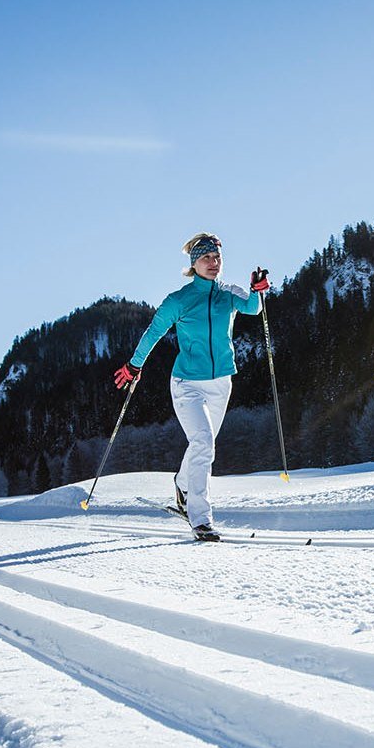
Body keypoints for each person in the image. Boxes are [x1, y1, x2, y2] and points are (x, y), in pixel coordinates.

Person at [114, 232, 270, 542]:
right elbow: (154, 331)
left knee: (204, 444)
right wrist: (135, 364)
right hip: (187, 384)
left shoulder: (228, 293)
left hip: (221, 383)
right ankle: (200, 518)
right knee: (203, 442)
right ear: (193, 264)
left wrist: (257, 290)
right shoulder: (179, 300)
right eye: (206, 259)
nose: (213, 263)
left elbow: (253, 309)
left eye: (217, 258)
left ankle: (182, 484)